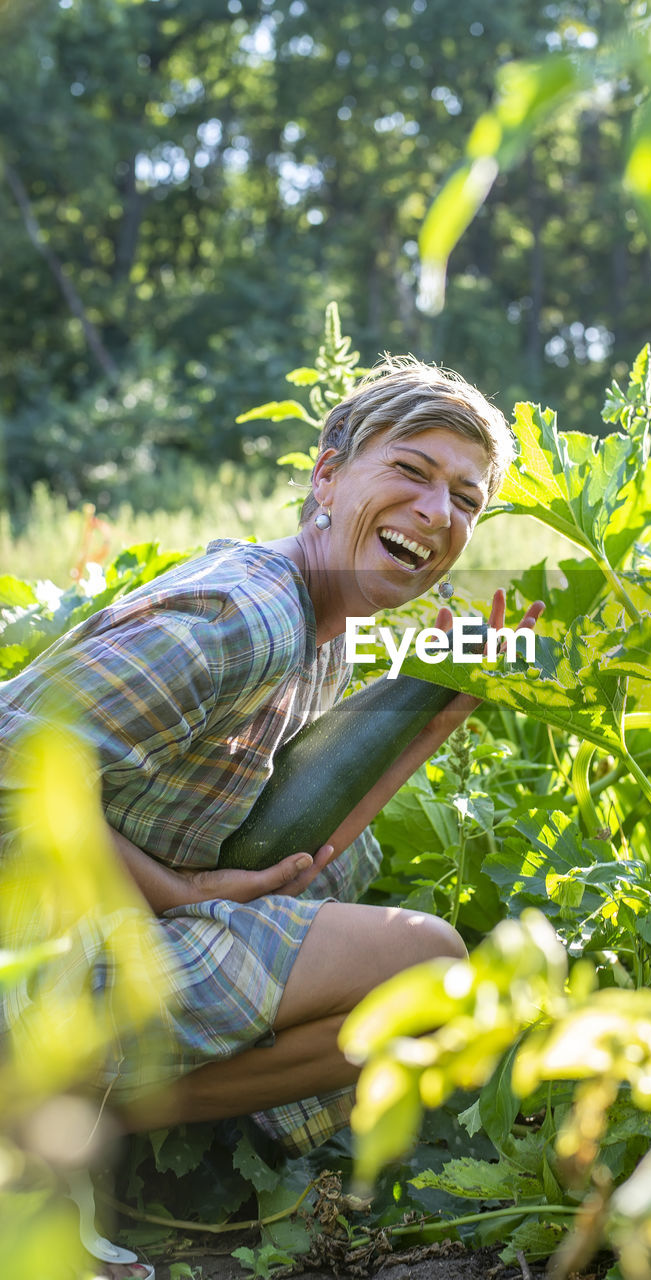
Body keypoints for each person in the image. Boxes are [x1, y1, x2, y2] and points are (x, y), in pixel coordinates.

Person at [0, 357, 544, 1279]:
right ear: (327, 476)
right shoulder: (249, 619)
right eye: (410, 471)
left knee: (350, 875)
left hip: (75, 933)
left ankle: (59, 1115)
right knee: (433, 972)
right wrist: (177, 889)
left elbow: (306, 847)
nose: (439, 513)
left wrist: (451, 695)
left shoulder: (317, 634)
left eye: (467, 499)